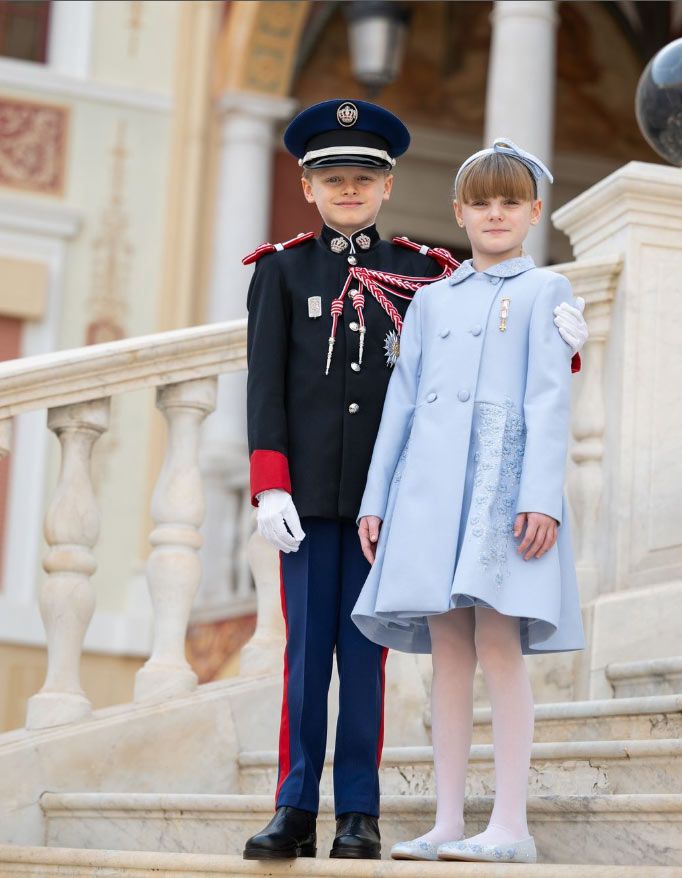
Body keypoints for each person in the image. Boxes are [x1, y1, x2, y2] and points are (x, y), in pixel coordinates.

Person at [243, 102, 588, 862]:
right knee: (305, 658)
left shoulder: (420, 272)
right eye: (332, 178)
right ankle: (295, 804)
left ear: (389, 184)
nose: (348, 190)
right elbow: (266, 385)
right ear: (307, 186)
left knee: (368, 659)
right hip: (324, 499)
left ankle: (358, 814)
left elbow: (521, 373)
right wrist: (270, 484)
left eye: (362, 178)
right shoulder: (282, 270)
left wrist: (568, 352)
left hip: (413, 502)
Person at [352, 139, 586, 865]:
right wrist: (377, 497)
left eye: (508, 202)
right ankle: (447, 820)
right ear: (458, 211)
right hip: (428, 490)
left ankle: (509, 824)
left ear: (533, 212)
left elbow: (550, 401)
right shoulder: (427, 300)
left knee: (498, 645)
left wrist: (540, 497)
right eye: (480, 202)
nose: (493, 214)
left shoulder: (546, 292)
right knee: (445, 653)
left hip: (500, 489)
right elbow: (400, 402)